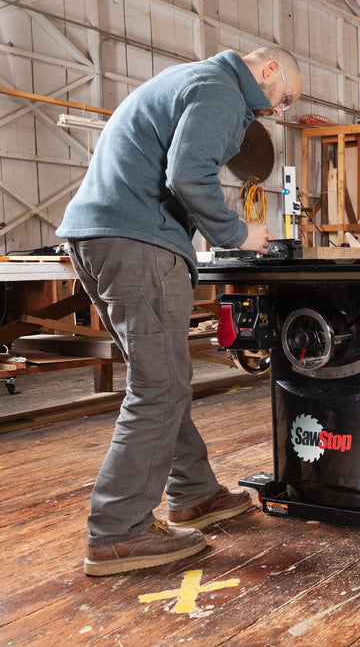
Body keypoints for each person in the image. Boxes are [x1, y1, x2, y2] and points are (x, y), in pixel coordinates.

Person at [57, 46, 302, 576]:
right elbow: (188, 176)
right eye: (285, 97)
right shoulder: (220, 88)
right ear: (268, 71)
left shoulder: (190, 80)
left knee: (162, 376)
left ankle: (193, 492)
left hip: (100, 235)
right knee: (162, 386)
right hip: (137, 239)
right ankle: (118, 531)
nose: (280, 110)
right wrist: (239, 234)